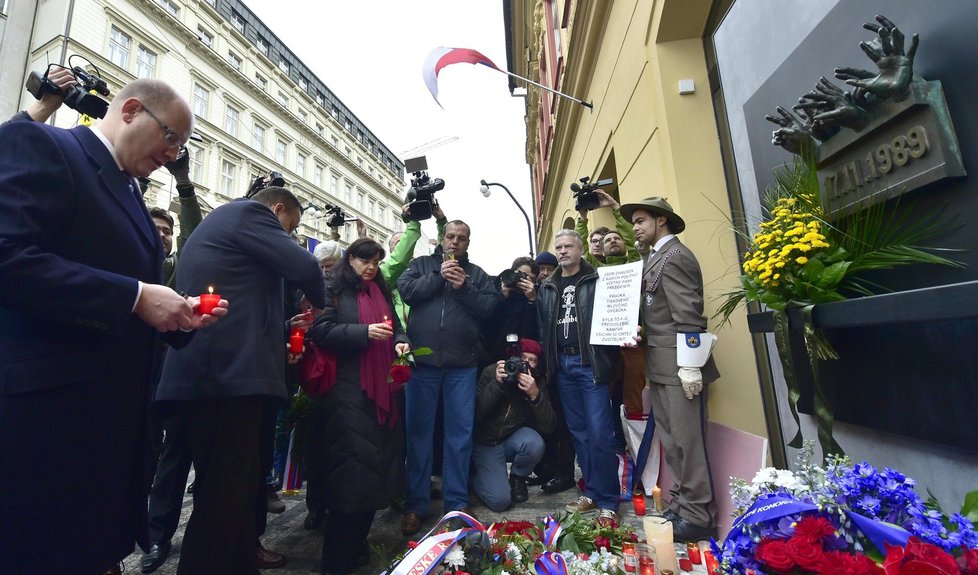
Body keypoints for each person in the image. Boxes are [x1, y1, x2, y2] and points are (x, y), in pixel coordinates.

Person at [0, 78, 228, 574]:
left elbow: (129, 301)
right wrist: (136, 297)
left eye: (181, 147)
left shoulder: (130, 190)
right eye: (170, 138)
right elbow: (8, 257)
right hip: (47, 434)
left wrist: (177, 317)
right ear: (129, 111)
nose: (173, 155)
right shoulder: (44, 144)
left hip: (106, 437)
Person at [154, 186, 326, 574]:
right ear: (277, 209)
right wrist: (318, 303)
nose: (289, 236)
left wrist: (281, 330)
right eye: (290, 227)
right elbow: (308, 267)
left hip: (223, 375)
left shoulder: (232, 229)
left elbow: (242, 302)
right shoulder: (250, 213)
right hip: (223, 379)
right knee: (222, 501)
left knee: (236, 493)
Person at [306, 238, 410, 574]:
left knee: (374, 477)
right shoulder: (334, 290)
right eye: (365, 260)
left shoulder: (379, 290)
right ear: (349, 260)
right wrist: (364, 332)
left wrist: (401, 344)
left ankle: (354, 550)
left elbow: (396, 329)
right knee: (351, 480)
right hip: (348, 392)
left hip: (384, 392)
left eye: (376, 262)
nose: (371, 267)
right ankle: (336, 561)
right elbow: (322, 331)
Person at [620, 197, 720, 542]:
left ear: (661, 220)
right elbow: (659, 313)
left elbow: (689, 315)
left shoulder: (676, 257)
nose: (635, 227)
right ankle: (681, 506)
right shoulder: (654, 257)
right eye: (633, 221)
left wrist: (691, 367)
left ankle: (697, 514)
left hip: (680, 368)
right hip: (661, 365)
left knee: (688, 442)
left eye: (641, 220)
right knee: (673, 441)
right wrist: (641, 331)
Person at [396, 220, 500, 535]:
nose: (455, 242)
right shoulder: (421, 265)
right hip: (422, 364)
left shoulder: (478, 274)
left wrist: (462, 286)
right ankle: (416, 504)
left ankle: (456, 501)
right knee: (418, 435)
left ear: (469, 242)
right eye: (450, 237)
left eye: (461, 238)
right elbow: (406, 291)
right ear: (442, 239)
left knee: (460, 434)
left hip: (461, 366)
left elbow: (489, 308)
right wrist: (437, 275)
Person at [536, 229, 621, 525]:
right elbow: (543, 328)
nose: (562, 251)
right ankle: (592, 491)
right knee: (579, 433)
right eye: (558, 246)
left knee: (600, 433)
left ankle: (609, 501)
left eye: (568, 246)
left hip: (590, 364)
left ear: (581, 248)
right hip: (563, 366)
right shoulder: (547, 286)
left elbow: (616, 314)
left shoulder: (598, 278)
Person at [471, 338, 555, 511]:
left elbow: (549, 426)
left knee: (534, 442)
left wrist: (535, 395)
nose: (525, 364)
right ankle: (472, 477)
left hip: (511, 439)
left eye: (532, 360)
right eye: (522, 358)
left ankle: (518, 478)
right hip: (485, 442)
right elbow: (475, 414)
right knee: (500, 501)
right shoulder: (492, 372)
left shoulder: (536, 382)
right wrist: (498, 385)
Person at [575, 189, 640, 267]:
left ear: (626, 245)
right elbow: (579, 248)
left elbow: (630, 236)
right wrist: (582, 217)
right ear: (602, 251)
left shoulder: (635, 261)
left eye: (617, 238)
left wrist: (615, 205)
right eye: (607, 240)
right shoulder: (597, 268)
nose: (613, 241)